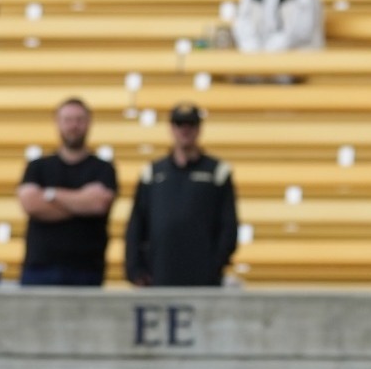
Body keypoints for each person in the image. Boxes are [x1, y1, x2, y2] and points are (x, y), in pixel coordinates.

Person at [124, 104, 238, 288]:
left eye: (191, 125)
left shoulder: (217, 172)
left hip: (203, 277)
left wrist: (214, 266)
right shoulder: (152, 173)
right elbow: (136, 224)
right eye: (180, 124)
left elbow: (229, 226)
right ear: (171, 128)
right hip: (160, 273)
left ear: (199, 129)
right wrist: (135, 269)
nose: (185, 130)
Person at [17, 97, 117, 286]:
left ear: (88, 123)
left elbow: (98, 204)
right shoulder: (37, 167)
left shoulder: (103, 169)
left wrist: (50, 195)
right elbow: (31, 204)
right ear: (57, 123)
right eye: (68, 120)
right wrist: (81, 201)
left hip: (87, 270)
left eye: (79, 120)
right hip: (40, 268)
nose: (74, 126)